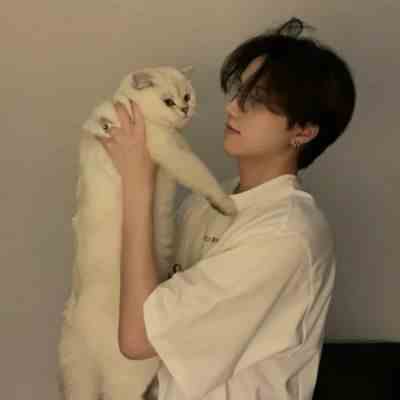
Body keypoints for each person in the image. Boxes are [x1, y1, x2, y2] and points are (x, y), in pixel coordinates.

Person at [97, 17, 356, 400]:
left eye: (258, 100)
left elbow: (138, 339)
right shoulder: (211, 199)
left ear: (303, 131)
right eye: (238, 91)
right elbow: (152, 309)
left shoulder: (286, 235)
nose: (233, 107)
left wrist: (139, 182)